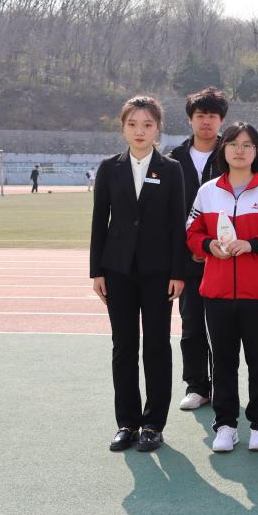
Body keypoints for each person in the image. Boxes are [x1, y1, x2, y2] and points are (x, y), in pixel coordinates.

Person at [186, 122, 258, 453]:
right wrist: (208, 245)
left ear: (257, 151)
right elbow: (191, 232)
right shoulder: (208, 191)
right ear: (224, 149)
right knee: (223, 362)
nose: (240, 150)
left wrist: (252, 244)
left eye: (247, 145)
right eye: (233, 144)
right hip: (217, 293)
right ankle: (226, 425)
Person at [90, 96, 186, 453]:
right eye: (132, 124)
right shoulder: (109, 168)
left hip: (158, 272)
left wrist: (178, 271)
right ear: (123, 128)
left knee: (157, 345)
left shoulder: (171, 169)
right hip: (117, 270)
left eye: (147, 124)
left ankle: (153, 424)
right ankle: (127, 423)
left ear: (158, 128)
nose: (139, 131)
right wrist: (97, 271)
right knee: (124, 346)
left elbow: (177, 223)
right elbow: (99, 221)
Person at [168, 87, 228, 411]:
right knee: (191, 324)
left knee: (223, 327)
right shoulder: (173, 158)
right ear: (190, 119)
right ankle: (196, 385)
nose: (206, 121)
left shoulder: (232, 154)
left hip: (226, 256)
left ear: (221, 120)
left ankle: (222, 385)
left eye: (212, 116)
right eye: (200, 115)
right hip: (187, 258)